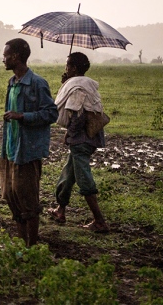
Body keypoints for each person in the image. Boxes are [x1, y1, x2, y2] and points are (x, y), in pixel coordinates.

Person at [0, 38, 58, 246]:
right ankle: (23, 240)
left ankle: (32, 245)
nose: (3, 59)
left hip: (27, 151)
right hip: (10, 149)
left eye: (5, 55)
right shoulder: (12, 83)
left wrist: (23, 116)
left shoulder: (37, 83)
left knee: (27, 200)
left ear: (15, 57)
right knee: (10, 196)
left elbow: (51, 114)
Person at [48, 52, 109, 233]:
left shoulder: (78, 88)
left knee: (83, 178)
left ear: (73, 68)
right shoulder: (83, 84)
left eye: (68, 65)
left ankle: (99, 221)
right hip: (90, 137)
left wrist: (70, 134)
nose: (65, 68)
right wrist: (66, 84)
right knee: (69, 174)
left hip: (81, 139)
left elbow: (77, 115)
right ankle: (60, 210)